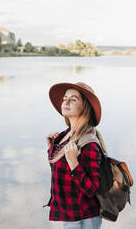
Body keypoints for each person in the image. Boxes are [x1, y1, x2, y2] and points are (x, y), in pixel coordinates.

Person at [43, 82, 108, 229]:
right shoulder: (65, 136)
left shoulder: (89, 143)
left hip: (84, 219)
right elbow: (61, 173)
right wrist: (51, 148)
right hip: (70, 216)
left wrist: (74, 163)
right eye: (65, 98)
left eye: (73, 99)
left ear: (85, 107)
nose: (66, 101)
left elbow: (92, 190)